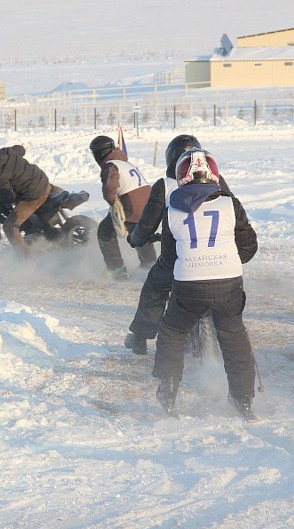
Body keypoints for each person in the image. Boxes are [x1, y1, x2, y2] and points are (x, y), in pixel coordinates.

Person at [151, 148, 259, 420]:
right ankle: (243, 400)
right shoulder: (230, 203)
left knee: (173, 334)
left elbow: (168, 257)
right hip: (227, 283)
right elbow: (248, 247)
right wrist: (227, 259)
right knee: (234, 339)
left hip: (189, 284)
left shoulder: (171, 208)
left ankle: (169, 390)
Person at [123, 134, 254, 355]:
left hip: (178, 259)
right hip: (216, 259)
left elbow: (147, 224)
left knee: (155, 289)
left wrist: (135, 239)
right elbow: (233, 213)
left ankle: (140, 337)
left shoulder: (164, 185)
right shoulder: (216, 181)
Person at [0, 145, 63, 256]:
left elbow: (8, 196)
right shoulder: (6, 152)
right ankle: (38, 230)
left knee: (9, 226)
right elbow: (20, 149)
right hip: (42, 181)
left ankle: (26, 255)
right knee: (21, 201)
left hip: (35, 194)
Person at [88, 135, 157, 280]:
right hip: (149, 202)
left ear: (99, 153)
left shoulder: (110, 165)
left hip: (131, 202)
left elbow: (110, 188)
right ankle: (150, 266)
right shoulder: (125, 162)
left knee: (105, 232)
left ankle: (117, 271)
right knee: (140, 233)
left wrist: (112, 202)